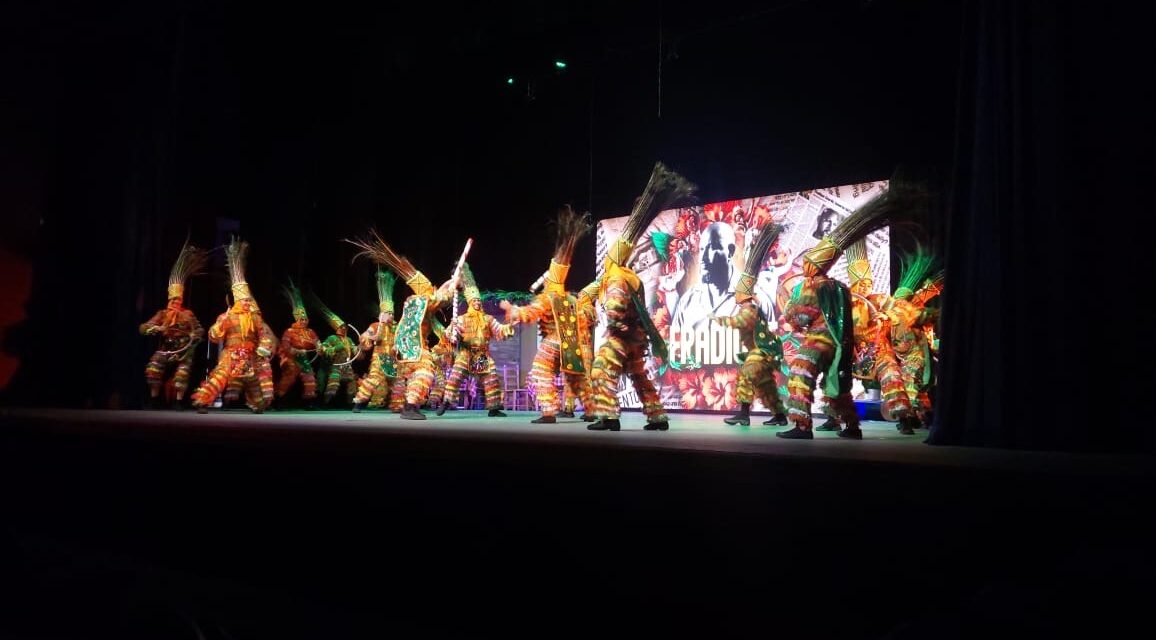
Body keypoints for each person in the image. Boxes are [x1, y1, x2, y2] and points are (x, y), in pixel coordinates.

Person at [587, 161, 696, 431]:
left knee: (601, 369)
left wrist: (613, 321)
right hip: (635, 339)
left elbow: (615, 306)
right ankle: (657, 417)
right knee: (639, 376)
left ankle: (609, 417)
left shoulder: (616, 276)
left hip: (621, 336)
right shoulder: (631, 276)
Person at [345, 230, 458, 420]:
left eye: (391, 313)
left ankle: (407, 405)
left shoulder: (420, 308)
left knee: (409, 379)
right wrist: (449, 288)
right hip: (407, 352)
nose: (390, 316)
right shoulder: (416, 302)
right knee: (422, 372)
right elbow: (437, 299)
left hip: (403, 354)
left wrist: (450, 286)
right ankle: (398, 405)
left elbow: (438, 304)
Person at [501, 205, 595, 424]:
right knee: (576, 377)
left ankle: (549, 412)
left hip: (553, 341)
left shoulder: (548, 297)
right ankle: (592, 410)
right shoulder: (571, 299)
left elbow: (530, 313)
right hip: (572, 343)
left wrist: (511, 309)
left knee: (540, 370)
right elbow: (582, 321)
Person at [711, 220, 789, 427]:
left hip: (763, 350)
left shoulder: (749, 309)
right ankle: (780, 416)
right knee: (765, 384)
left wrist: (718, 319)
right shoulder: (749, 307)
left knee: (746, 374)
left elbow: (740, 321)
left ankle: (744, 415)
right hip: (764, 350)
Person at [191, 238, 275, 414]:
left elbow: (264, 334)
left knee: (253, 381)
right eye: (244, 300)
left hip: (251, 354)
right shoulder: (227, 316)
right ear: (237, 300)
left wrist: (263, 347)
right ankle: (202, 400)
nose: (247, 303)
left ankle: (257, 403)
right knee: (220, 376)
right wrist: (222, 322)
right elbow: (214, 335)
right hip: (231, 353)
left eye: (248, 300)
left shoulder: (254, 317)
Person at [439, 263, 514, 417]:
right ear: (470, 303)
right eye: (475, 301)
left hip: (482, 354)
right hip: (466, 354)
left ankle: (494, 408)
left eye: (479, 301)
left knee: (491, 377)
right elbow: (448, 335)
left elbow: (500, 330)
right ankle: (446, 402)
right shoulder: (461, 319)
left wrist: (510, 326)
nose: (478, 303)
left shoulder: (487, 319)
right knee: (455, 377)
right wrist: (453, 331)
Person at [140, 239, 206, 410]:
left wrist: (194, 335)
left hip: (184, 349)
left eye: (178, 300)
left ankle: (178, 401)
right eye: (173, 300)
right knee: (153, 368)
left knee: (182, 373)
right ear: (169, 300)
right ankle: (154, 399)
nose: (176, 302)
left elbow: (200, 330)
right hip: (166, 347)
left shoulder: (188, 314)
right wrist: (155, 328)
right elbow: (144, 328)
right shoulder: (162, 314)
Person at [669, 220, 739, 340]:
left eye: (712, 247)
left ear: (730, 251)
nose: (703, 258)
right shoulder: (687, 301)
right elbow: (674, 347)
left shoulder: (752, 300)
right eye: (702, 249)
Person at [352, 270, 397, 413]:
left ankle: (398, 406)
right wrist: (373, 335)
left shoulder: (396, 328)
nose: (391, 316)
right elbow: (366, 336)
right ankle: (359, 403)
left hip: (392, 359)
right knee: (374, 378)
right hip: (379, 358)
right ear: (382, 314)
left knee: (397, 382)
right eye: (388, 313)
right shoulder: (376, 325)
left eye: (392, 313)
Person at [309, 291, 360, 407]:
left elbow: (354, 350)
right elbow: (323, 349)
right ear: (336, 328)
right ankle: (325, 403)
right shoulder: (332, 338)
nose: (343, 329)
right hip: (335, 366)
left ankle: (351, 404)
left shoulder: (349, 339)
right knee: (333, 385)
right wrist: (336, 347)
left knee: (352, 383)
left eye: (344, 327)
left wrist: (358, 348)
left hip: (347, 366)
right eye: (341, 327)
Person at [275, 280, 320, 409]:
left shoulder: (310, 332)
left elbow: (317, 342)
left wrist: (320, 347)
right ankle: (279, 400)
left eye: (305, 319)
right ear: (297, 319)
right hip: (291, 359)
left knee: (310, 379)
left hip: (304, 359)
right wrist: (296, 351)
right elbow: (285, 346)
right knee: (288, 379)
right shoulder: (289, 331)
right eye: (301, 319)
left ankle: (309, 402)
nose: (304, 321)